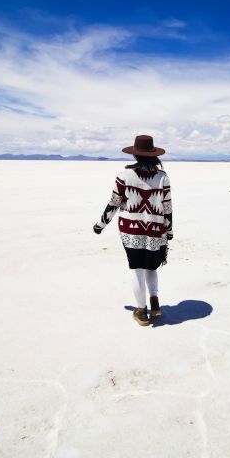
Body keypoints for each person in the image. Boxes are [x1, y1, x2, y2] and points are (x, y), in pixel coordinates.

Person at [93, 135, 173, 326]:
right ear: (153, 154)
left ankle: (140, 311)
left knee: (137, 269)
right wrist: (169, 231)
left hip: (131, 230)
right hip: (155, 229)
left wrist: (100, 225)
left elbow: (114, 202)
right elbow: (167, 207)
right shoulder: (162, 177)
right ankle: (155, 305)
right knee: (152, 267)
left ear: (135, 154)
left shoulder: (124, 175)